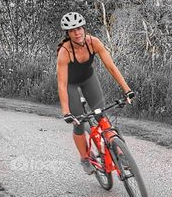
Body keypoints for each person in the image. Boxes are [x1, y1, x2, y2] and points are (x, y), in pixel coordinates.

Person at [57, 12, 136, 174]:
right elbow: (62, 84)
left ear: (84, 28)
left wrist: (127, 89)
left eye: (79, 28)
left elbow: (111, 67)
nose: (77, 33)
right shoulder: (65, 52)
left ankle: (120, 153)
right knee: (78, 123)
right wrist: (66, 111)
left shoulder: (94, 43)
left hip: (88, 80)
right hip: (70, 85)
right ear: (68, 34)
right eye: (72, 30)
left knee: (102, 116)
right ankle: (85, 158)